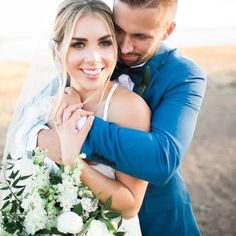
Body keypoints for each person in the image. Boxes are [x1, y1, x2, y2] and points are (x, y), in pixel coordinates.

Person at [10, 0, 206, 235]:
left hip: (159, 219)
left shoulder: (184, 75)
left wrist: (76, 124)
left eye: (141, 36)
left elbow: (162, 159)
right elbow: (28, 120)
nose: (124, 47)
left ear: (167, 30)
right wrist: (38, 136)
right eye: (118, 31)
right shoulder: (93, 62)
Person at [2, 0, 152, 235]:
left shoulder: (129, 108)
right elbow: (19, 148)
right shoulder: (46, 102)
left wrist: (73, 162)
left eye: (104, 43)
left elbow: (131, 205)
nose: (94, 58)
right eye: (78, 44)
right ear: (57, 49)